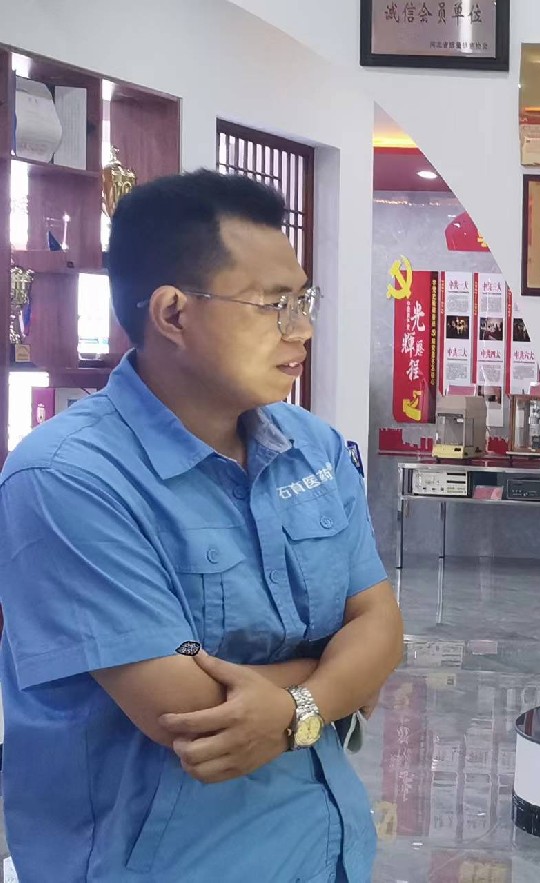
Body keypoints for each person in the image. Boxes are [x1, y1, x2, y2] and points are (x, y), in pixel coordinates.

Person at [0, 170, 403, 882]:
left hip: (324, 849)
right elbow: (185, 711)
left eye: (303, 301)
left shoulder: (310, 446)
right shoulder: (67, 477)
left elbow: (382, 625)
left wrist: (297, 704)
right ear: (173, 313)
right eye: (273, 305)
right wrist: (341, 675)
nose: (302, 330)